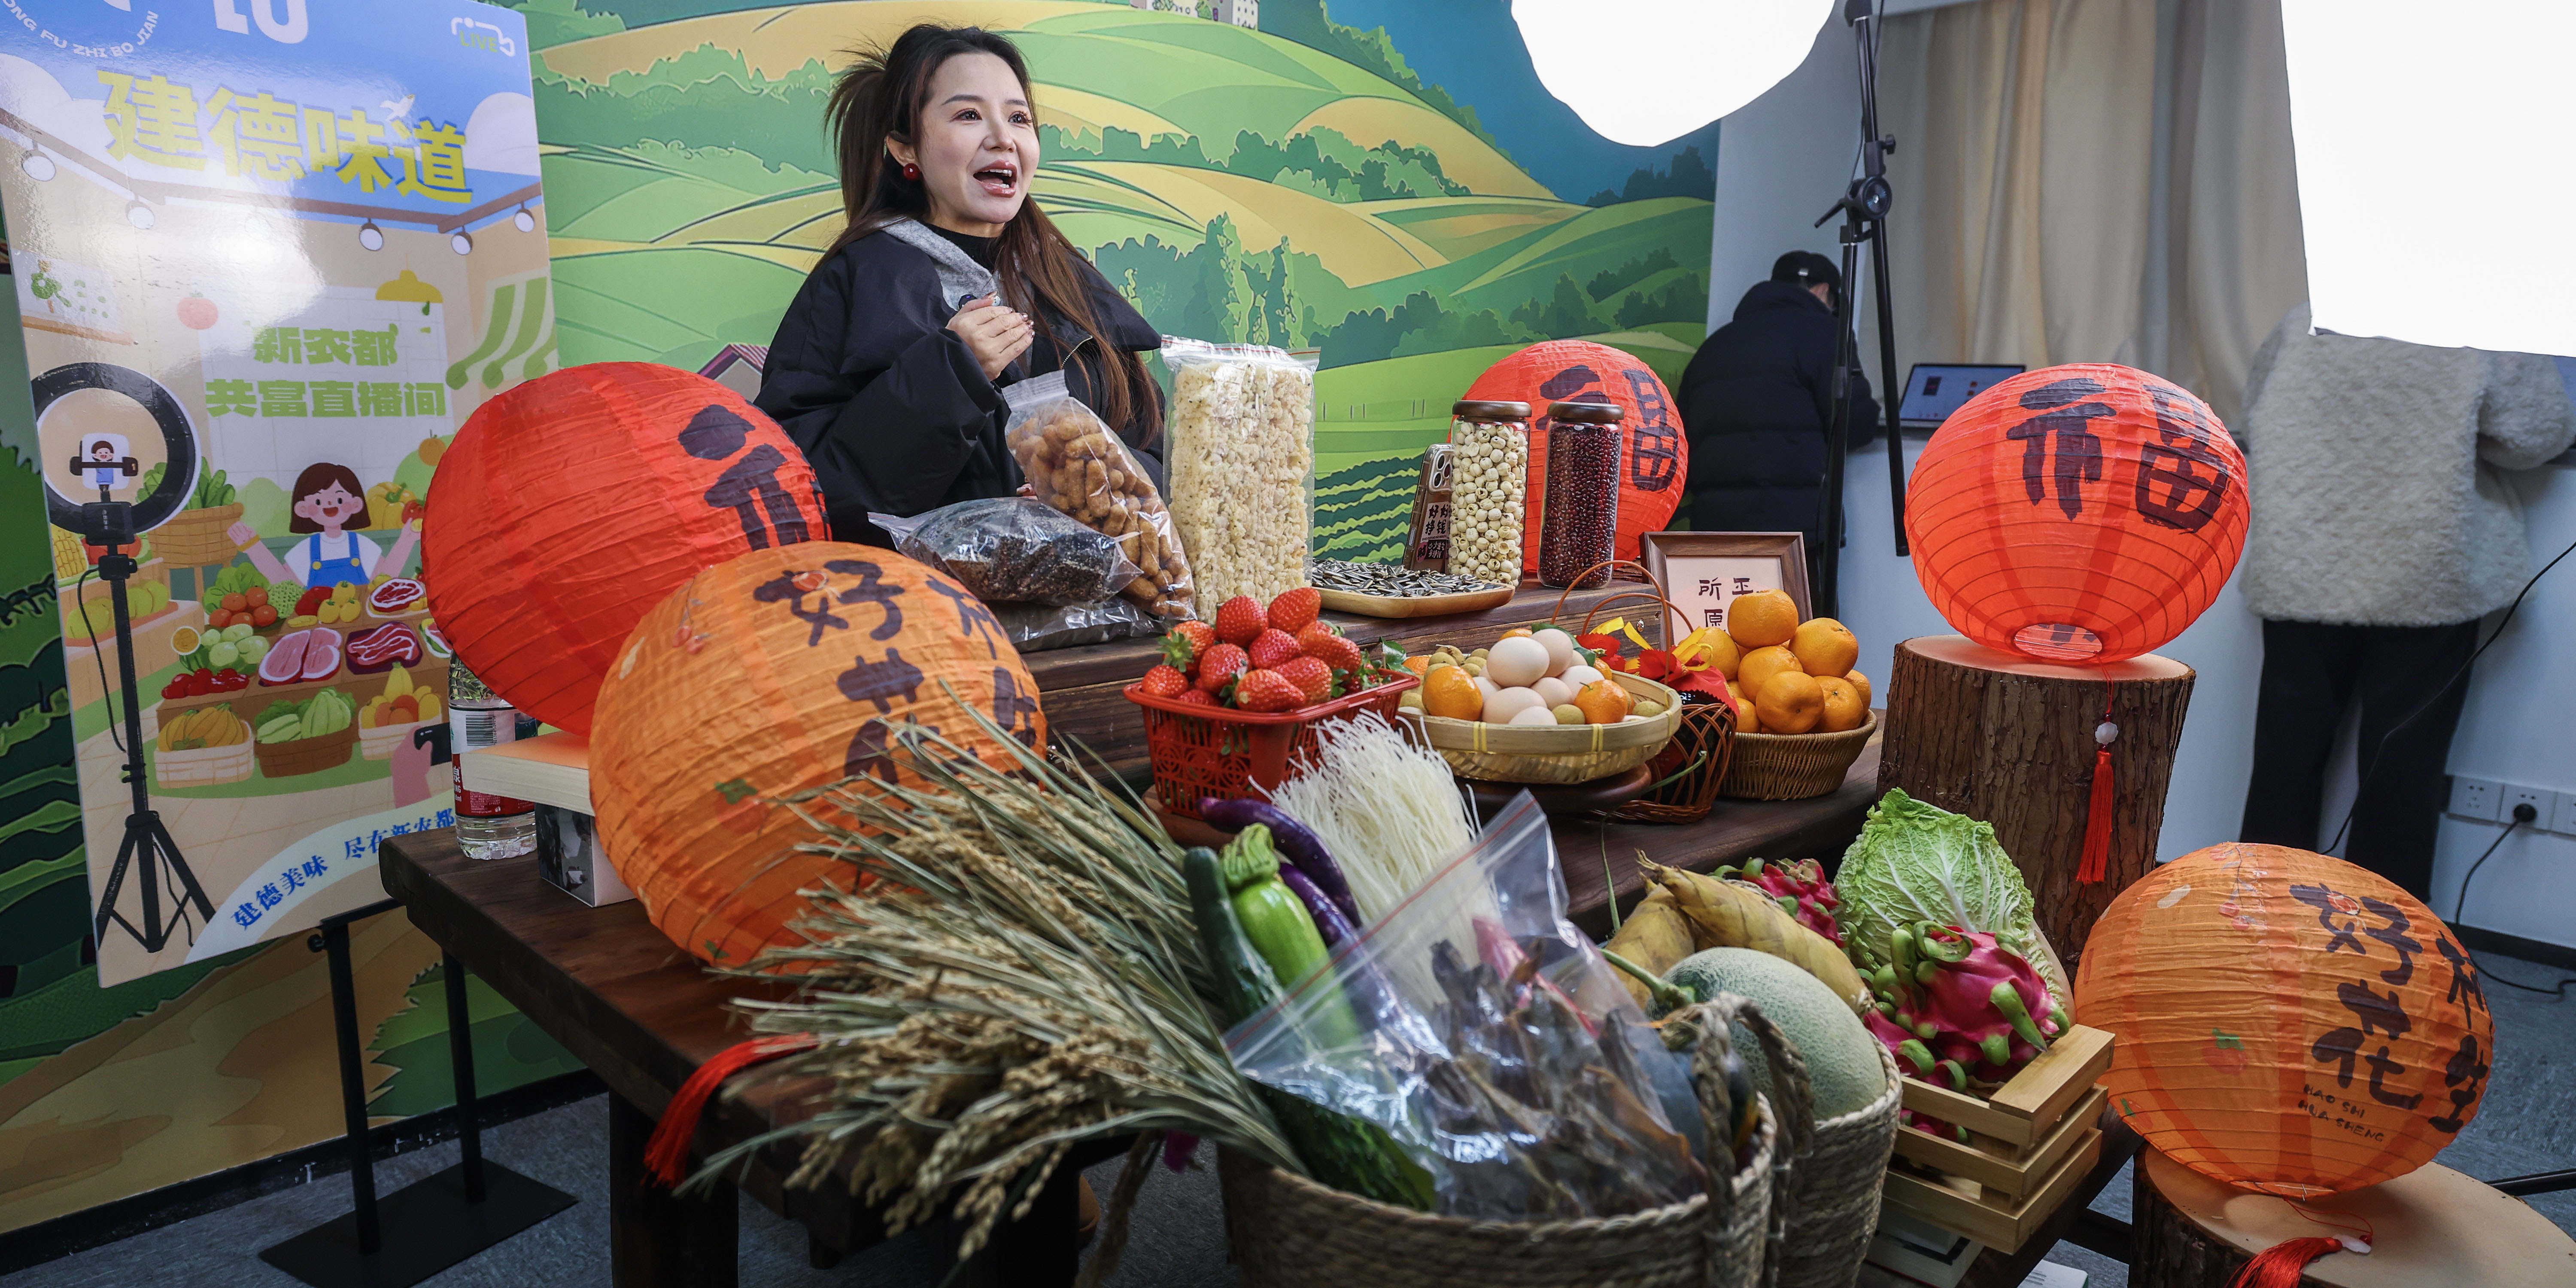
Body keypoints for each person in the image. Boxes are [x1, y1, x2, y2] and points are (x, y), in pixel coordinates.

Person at [755, 24, 1163, 545]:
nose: (1003, 138)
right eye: (969, 115)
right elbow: (802, 490)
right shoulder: (853, 282)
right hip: (923, 595)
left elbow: (1157, 458)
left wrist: (1091, 493)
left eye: (1018, 118)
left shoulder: (1075, 288)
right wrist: (953, 373)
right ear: (906, 149)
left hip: (1096, 598)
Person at [2236, 303, 2575, 901]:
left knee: (2285, 757)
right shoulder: (2483, 321)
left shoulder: (2309, 315)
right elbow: (2534, 435)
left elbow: (2255, 412)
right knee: (2404, 765)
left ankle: (2255, 914)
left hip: (2303, 560)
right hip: (2424, 566)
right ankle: (2387, 933)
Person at [1676, 251, 1878, 584]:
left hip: (1715, 527)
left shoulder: (1714, 346)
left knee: (1722, 616)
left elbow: (1683, 437)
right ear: (1823, 291)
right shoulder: (1826, 333)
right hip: (1793, 529)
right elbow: (1856, 425)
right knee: (1798, 617)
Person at [226, 462, 418, 588]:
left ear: (356, 504)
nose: (330, 504)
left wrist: (406, 541)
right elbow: (283, 581)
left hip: (363, 622)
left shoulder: (361, 545)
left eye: (340, 499)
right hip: (318, 625)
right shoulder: (308, 549)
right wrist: (254, 548)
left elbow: (385, 577)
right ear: (303, 509)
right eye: (318, 501)